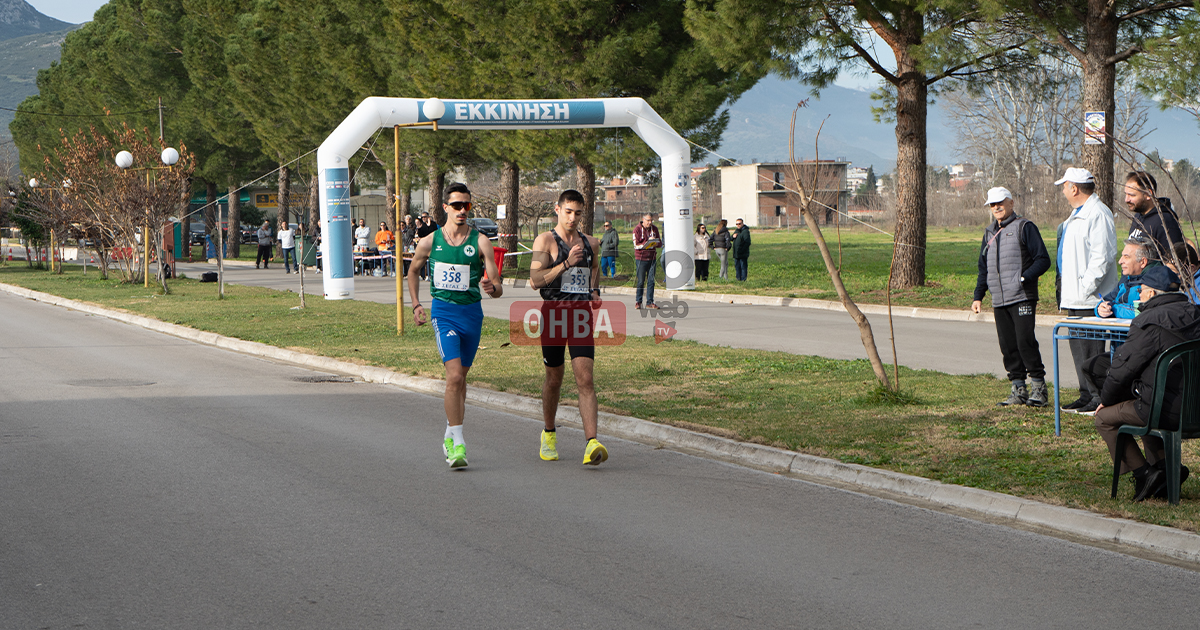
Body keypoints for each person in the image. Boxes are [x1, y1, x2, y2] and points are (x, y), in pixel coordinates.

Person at [406, 182, 502, 469]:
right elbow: (412, 271)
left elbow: (497, 286)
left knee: (461, 380)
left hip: (472, 314)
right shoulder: (429, 241)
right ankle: (458, 443)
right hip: (444, 313)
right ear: (445, 207)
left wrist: (492, 287)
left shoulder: (481, 241)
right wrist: (416, 304)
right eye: (457, 205)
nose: (462, 210)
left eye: (466, 205)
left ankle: (450, 432)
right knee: (455, 377)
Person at [1094, 266, 1200, 501]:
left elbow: (1122, 369)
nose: (1138, 295)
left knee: (1104, 419)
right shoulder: (1196, 313)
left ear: (1151, 293)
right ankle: (1166, 470)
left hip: (1164, 410)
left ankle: (1144, 474)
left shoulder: (1148, 322)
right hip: (1195, 410)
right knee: (1147, 404)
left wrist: (1106, 401)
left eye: (1140, 290)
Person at [529, 189, 608, 466]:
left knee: (585, 379)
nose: (573, 218)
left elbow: (594, 268)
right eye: (568, 212)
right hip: (553, 315)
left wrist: (594, 291)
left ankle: (591, 443)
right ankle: (549, 433)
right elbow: (535, 280)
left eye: (578, 213)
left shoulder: (591, 243)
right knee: (554, 379)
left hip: (580, 316)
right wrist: (565, 263)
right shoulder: (546, 240)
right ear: (558, 209)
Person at [971, 187, 1051, 407]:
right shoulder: (989, 233)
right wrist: (978, 296)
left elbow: (1043, 260)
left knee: (1025, 342)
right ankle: (1018, 389)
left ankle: (1039, 389)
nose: (996, 207)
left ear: (1011, 203)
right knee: (1008, 346)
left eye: (1000, 203)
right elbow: (984, 268)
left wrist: (1023, 278)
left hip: (1022, 296)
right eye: (992, 204)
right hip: (999, 299)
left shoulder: (1025, 227)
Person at [1055, 167, 1119, 412]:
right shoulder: (1076, 214)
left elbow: (1102, 257)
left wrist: (1084, 288)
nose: (1063, 191)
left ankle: (1097, 397)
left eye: (1064, 186)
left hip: (1090, 299)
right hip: (1075, 297)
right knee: (1078, 350)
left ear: (1074, 188)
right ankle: (1085, 394)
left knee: (1092, 352)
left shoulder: (1098, 213)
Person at [1077, 237, 1160, 410]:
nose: (1120, 261)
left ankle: (1124, 407)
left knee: (1117, 377)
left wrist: (1114, 309)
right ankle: (1113, 406)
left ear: (1143, 262)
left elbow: (1139, 310)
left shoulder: (1155, 281)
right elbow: (1107, 300)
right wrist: (1100, 309)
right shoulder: (1126, 280)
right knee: (1089, 367)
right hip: (1120, 351)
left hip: (1139, 355)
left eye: (1126, 257)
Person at [1124, 170, 1184, 260]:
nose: (1126, 200)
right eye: (1126, 194)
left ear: (1148, 194)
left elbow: (1173, 262)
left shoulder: (1164, 221)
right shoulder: (1138, 216)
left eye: (1132, 195)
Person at [633, 213, 661, 309]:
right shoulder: (637, 230)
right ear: (643, 220)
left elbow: (660, 242)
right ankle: (638, 301)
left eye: (651, 220)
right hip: (641, 258)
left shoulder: (655, 229)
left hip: (652, 258)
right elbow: (636, 245)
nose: (650, 222)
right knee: (641, 281)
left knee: (651, 281)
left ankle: (650, 302)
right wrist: (647, 242)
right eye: (648, 220)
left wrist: (655, 242)